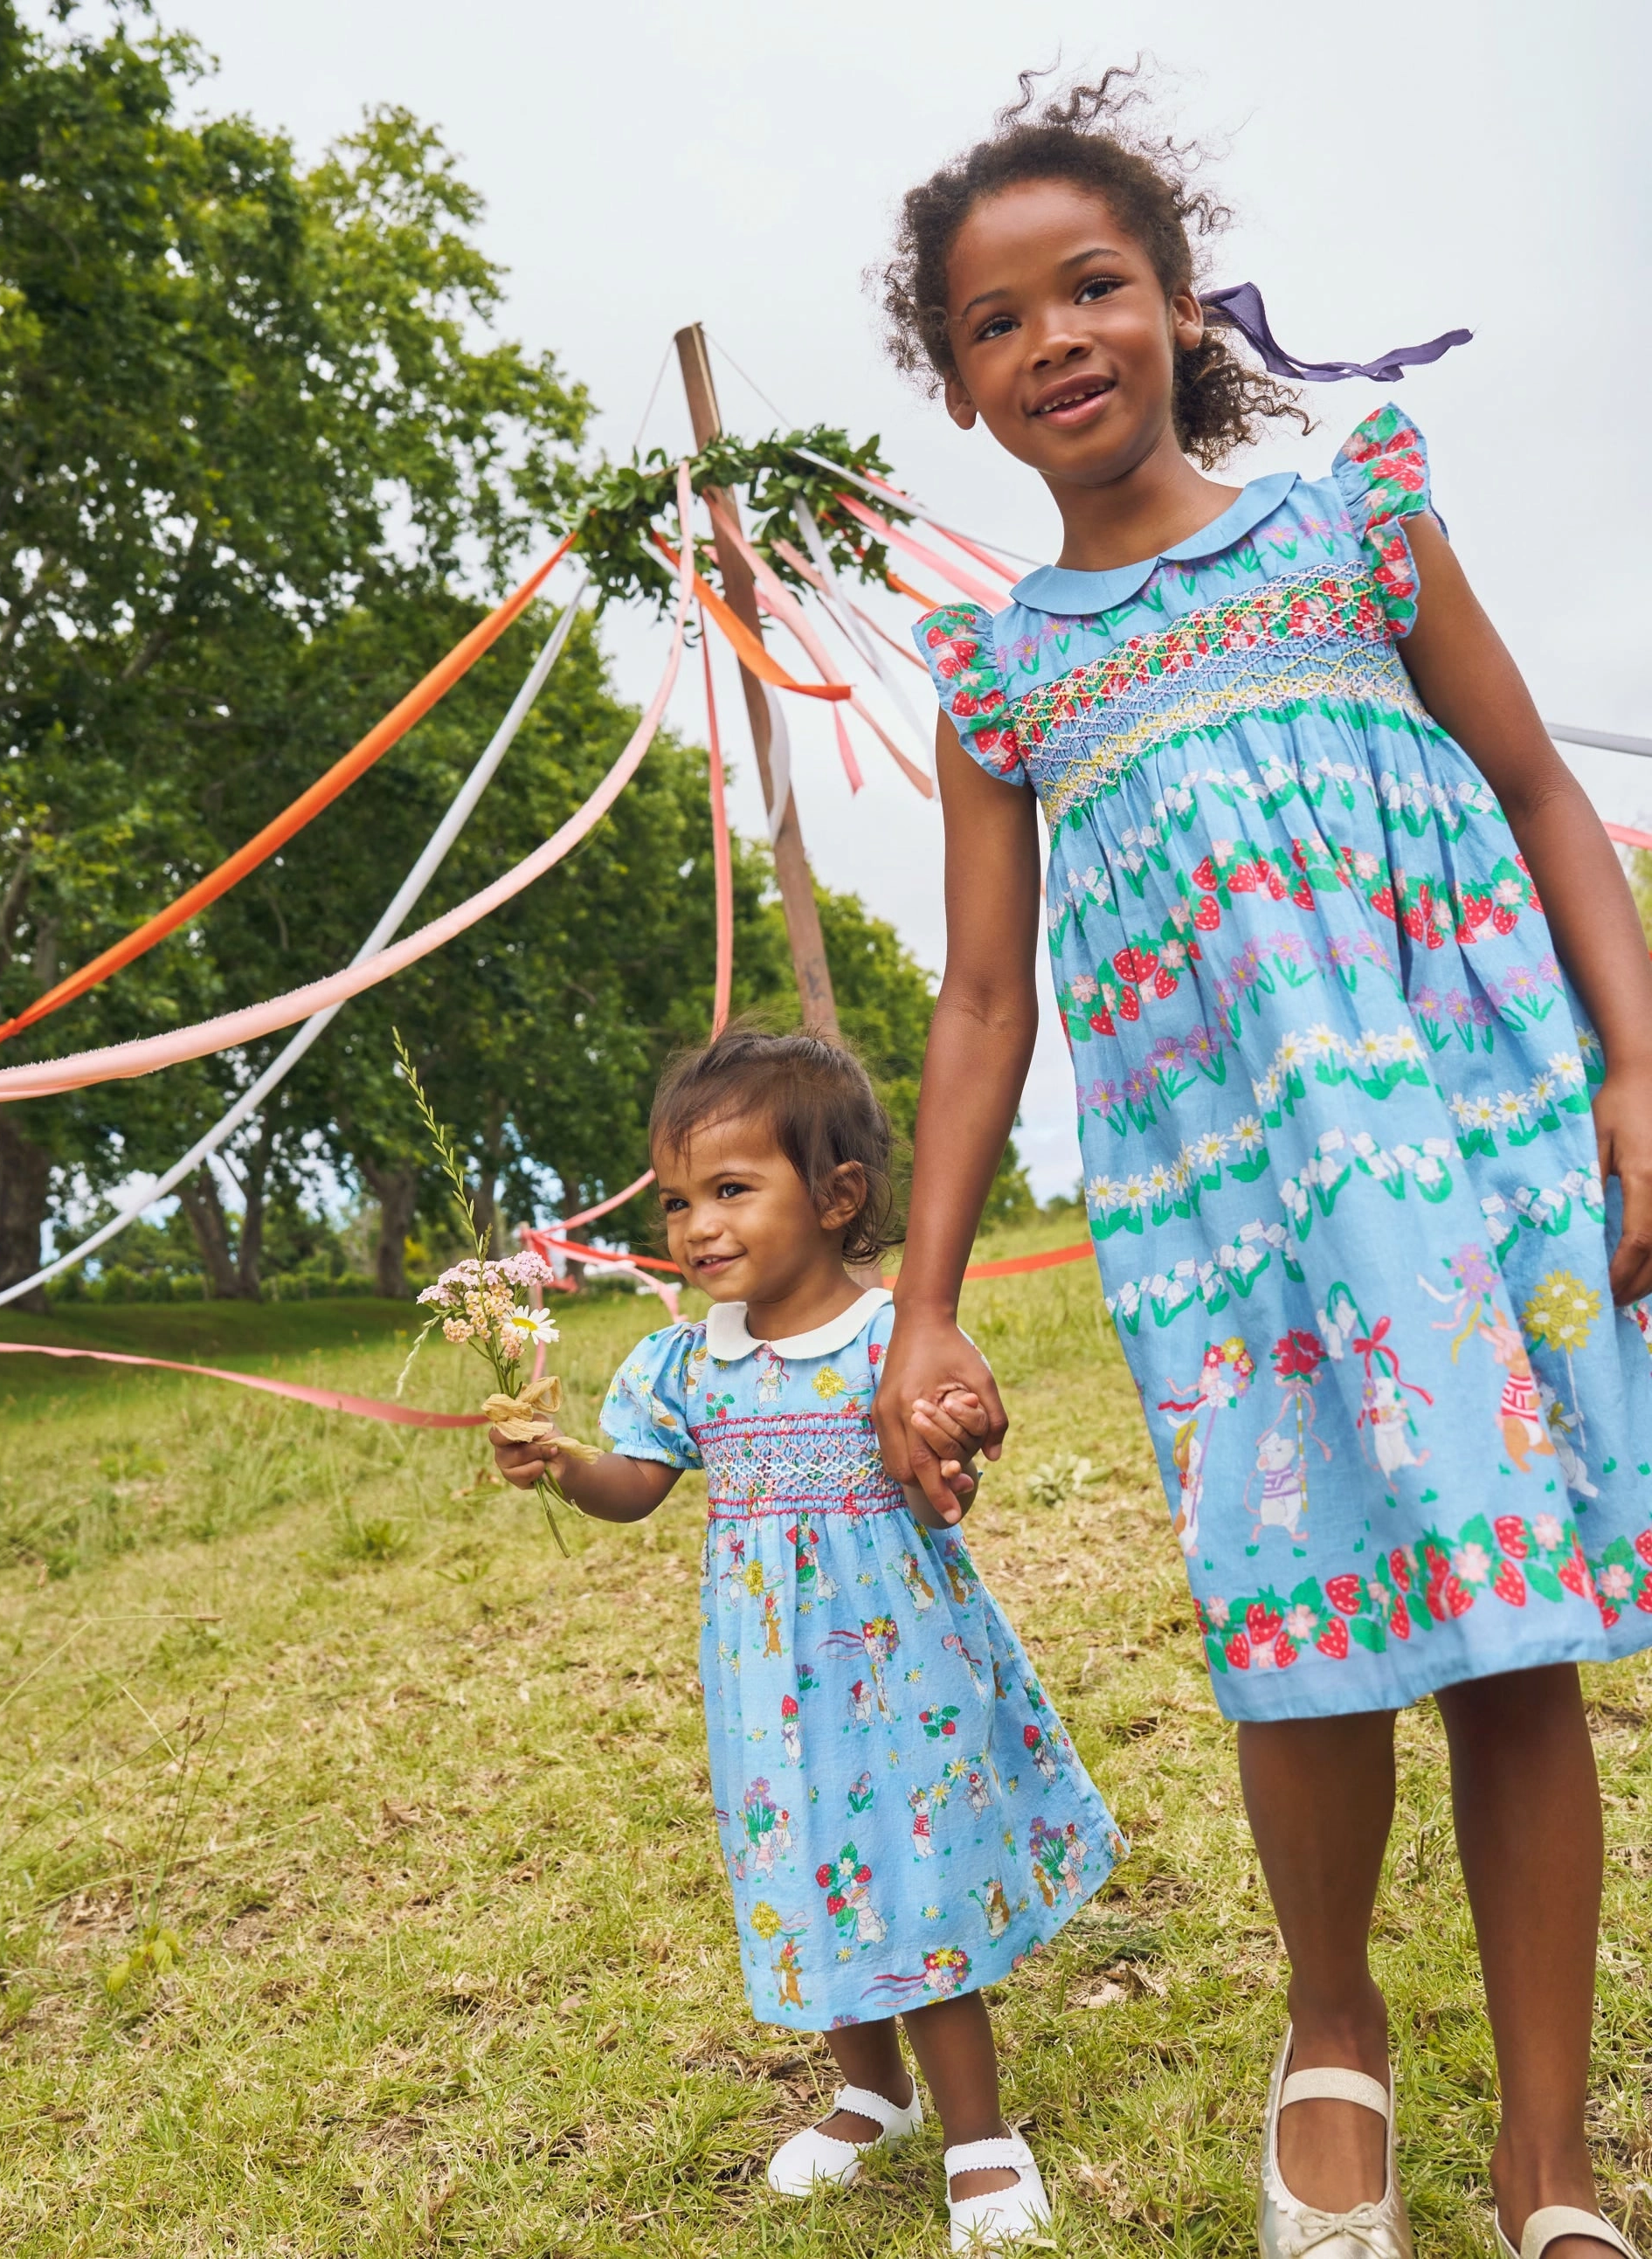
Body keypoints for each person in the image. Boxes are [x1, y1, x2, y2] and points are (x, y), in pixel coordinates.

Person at [871, 66, 1652, 2259]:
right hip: (1230, 1215)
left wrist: (1638, 1064)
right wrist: (920, 1301)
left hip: (1477, 1154)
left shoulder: (1354, 529)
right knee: (1295, 1631)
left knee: (1512, 1638)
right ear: (959, 386)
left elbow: (1537, 794)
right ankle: (1333, 2028)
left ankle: (1549, 2150)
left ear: (1178, 293)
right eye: (998, 322)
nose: (1058, 341)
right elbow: (977, 1004)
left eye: (1091, 285)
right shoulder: (1003, 678)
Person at [491, 1027, 1122, 2251]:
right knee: (815, 1873)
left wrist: (960, 1434)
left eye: (732, 1189)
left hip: (902, 1672)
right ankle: (869, 2089)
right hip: (767, 1688)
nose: (697, 1225)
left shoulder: (894, 1339)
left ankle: (977, 2130)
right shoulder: (686, 1362)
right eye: (678, 1200)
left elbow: (956, 1456)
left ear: (836, 1198)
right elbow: (637, 1484)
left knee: (916, 1881)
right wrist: (565, 1462)